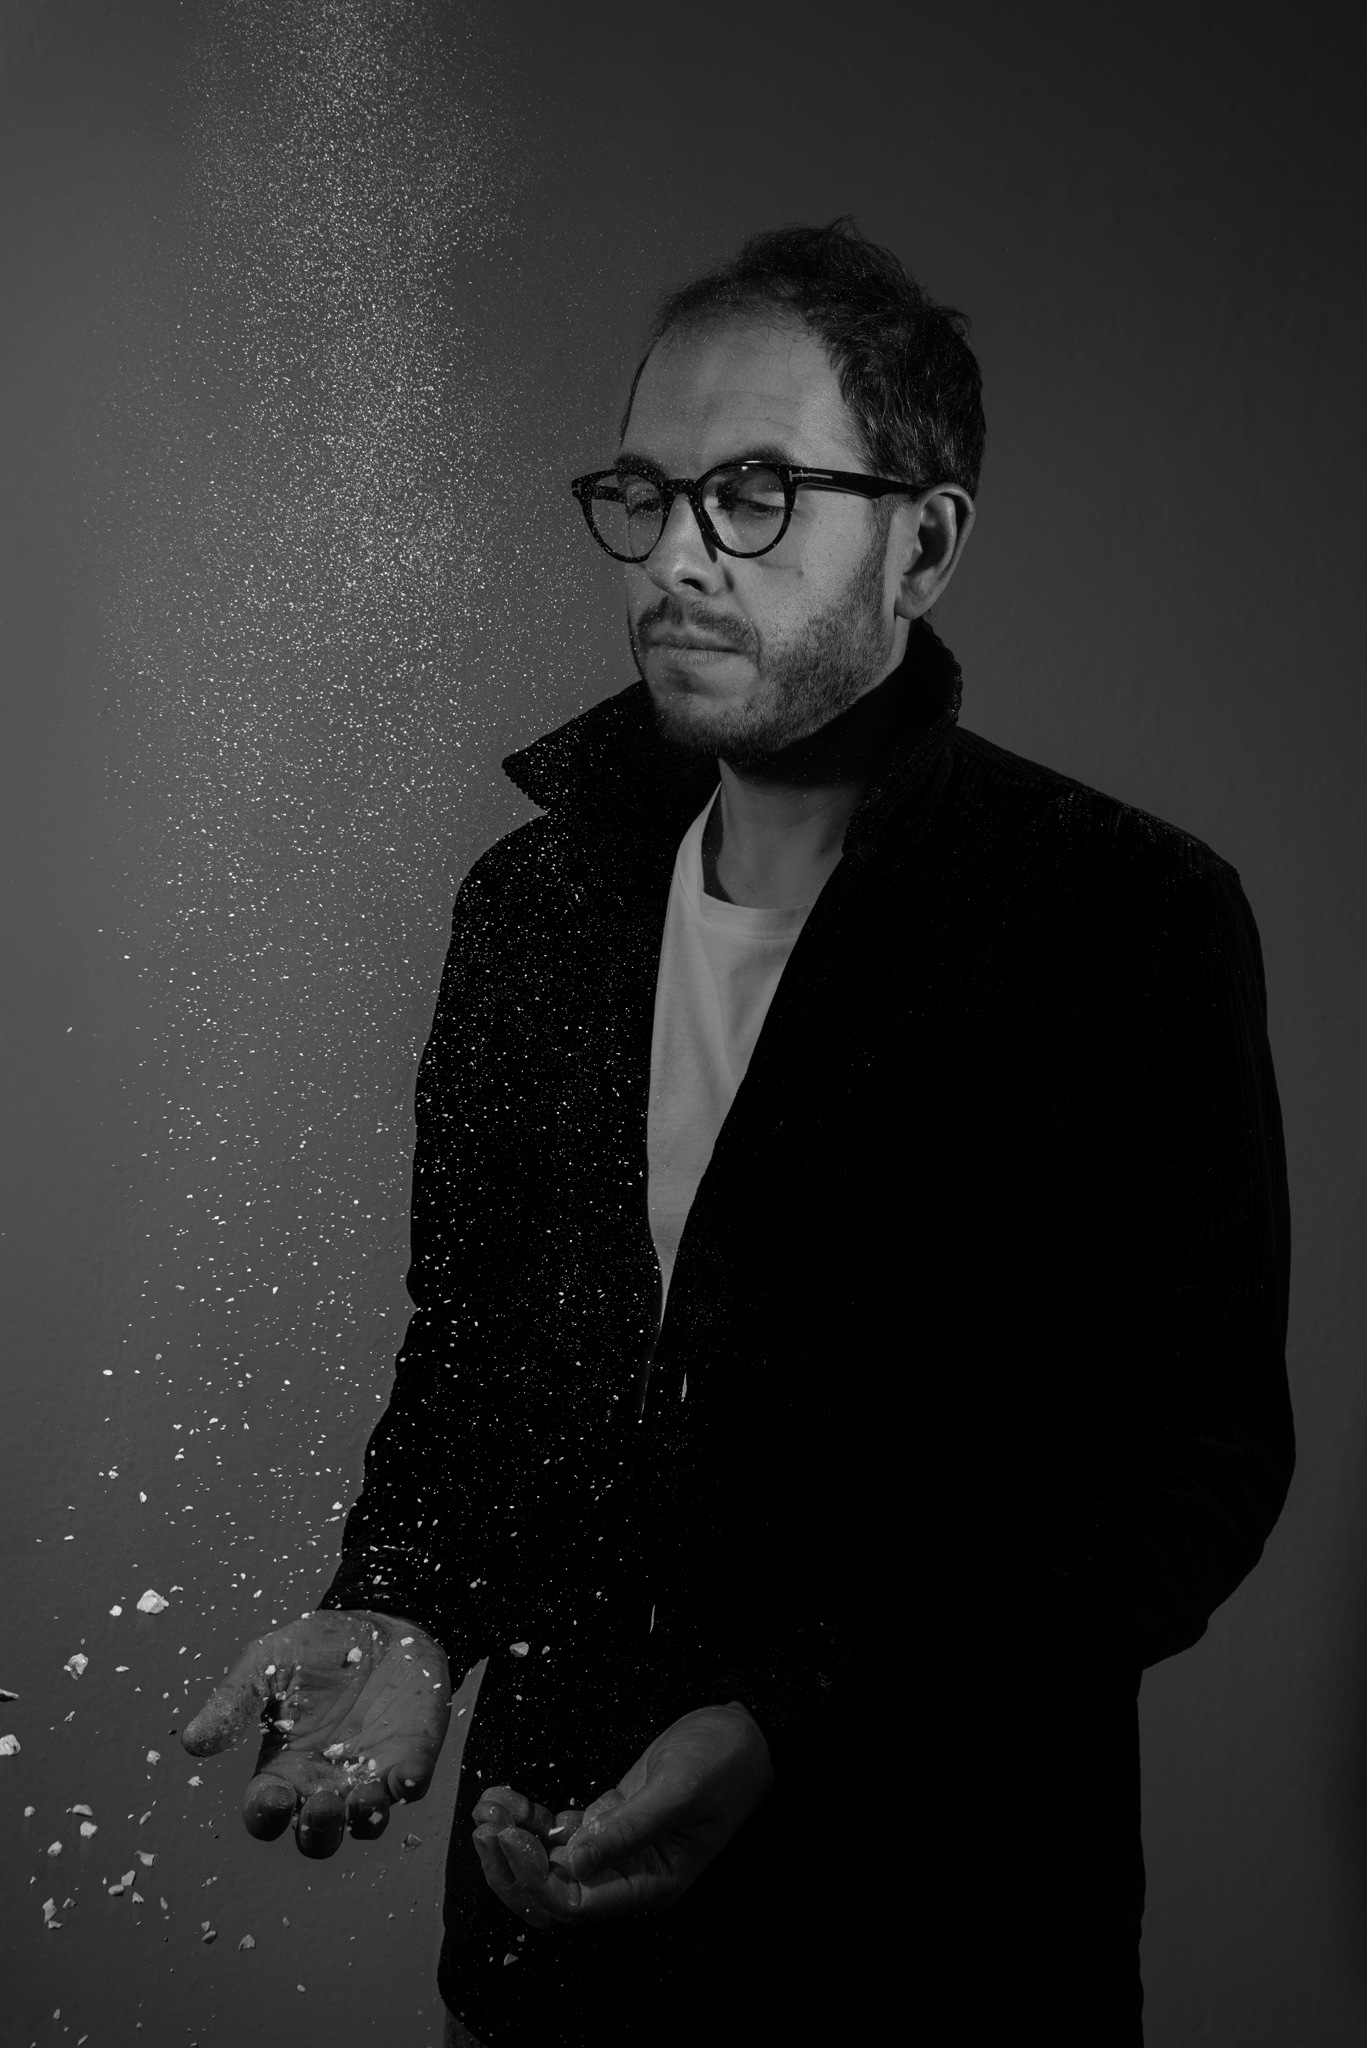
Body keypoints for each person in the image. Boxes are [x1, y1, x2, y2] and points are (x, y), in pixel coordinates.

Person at [184, 217, 1295, 2045]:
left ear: (922, 543)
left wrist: (799, 1717)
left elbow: (1195, 1465)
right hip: (544, 1953)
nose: (680, 556)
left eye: (758, 494)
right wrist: (403, 1607)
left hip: (943, 1950)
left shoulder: (1121, 921)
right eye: (647, 492)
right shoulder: (534, 913)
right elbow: (471, 1370)